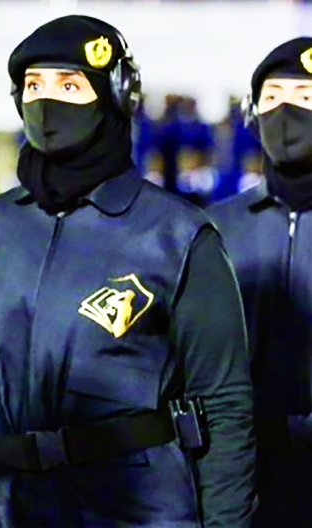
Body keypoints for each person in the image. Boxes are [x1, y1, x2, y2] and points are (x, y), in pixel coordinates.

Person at [0, 15, 255, 527]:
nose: (47, 103)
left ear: (115, 96)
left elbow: (224, 409)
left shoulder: (178, 236)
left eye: (69, 86)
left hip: (132, 512)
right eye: (34, 86)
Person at [209, 37, 312, 528]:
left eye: (306, 97)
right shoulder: (215, 230)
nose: (286, 111)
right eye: (272, 97)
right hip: (243, 480)